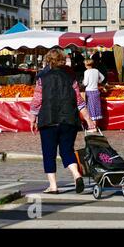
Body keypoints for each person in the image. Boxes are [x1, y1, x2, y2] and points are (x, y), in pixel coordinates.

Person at [29, 49, 95, 194]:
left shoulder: (42, 78)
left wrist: (33, 118)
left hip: (48, 120)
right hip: (69, 119)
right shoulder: (71, 77)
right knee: (67, 150)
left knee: (49, 153)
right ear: (63, 60)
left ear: (48, 61)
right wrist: (89, 120)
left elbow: (37, 101)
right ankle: (76, 174)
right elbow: (79, 101)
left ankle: (53, 186)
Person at [83, 59, 105, 126]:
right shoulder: (96, 70)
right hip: (96, 91)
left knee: (91, 108)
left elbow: (85, 83)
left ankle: (93, 126)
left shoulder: (86, 72)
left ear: (86, 65)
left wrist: (83, 82)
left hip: (89, 91)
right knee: (96, 107)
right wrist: (98, 81)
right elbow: (103, 78)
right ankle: (96, 125)